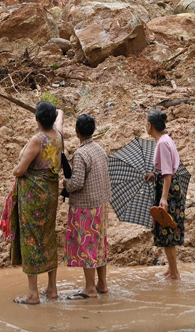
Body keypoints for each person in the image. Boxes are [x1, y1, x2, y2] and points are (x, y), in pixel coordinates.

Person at [11, 100, 65, 304]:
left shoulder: (37, 140)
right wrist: (59, 112)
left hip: (34, 198)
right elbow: (60, 118)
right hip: (50, 195)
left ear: (36, 119)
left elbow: (20, 170)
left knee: (31, 240)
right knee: (48, 237)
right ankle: (52, 288)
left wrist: (14, 170)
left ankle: (33, 293)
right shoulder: (58, 135)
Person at [63, 113, 111, 299]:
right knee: (99, 245)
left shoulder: (81, 154)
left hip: (85, 208)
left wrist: (65, 183)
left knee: (86, 246)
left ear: (76, 132)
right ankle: (102, 284)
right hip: (101, 204)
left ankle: (90, 288)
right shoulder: (99, 149)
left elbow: (77, 183)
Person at [143, 109, 184, 280]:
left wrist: (164, 198)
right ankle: (170, 269)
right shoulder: (166, 140)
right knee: (166, 228)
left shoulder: (161, 143)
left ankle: (174, 273)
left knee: (167, 229)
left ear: (150, 125)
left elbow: (168, 172)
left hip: (168, 190)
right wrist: (154, 174)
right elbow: (165, 169)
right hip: (169, 186)